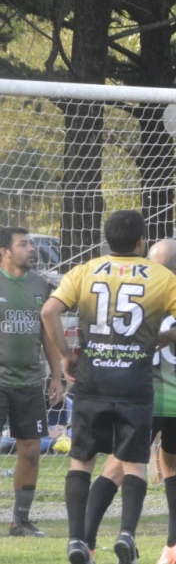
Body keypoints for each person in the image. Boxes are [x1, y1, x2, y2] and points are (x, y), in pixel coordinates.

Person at [40, 210, 176, 564]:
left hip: (93, 378)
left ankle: (77, 541)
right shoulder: (161, 277)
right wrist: (162, 337)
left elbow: (49, 312)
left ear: (106, 239)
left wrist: (67, 354)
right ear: (141, 242)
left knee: (82, 460)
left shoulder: (85, 270)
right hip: (135, 381)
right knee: (134, 462)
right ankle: (127, 534)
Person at [80, 239, 176, 564]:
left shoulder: (139, 303)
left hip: (143, 398)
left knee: (116, 467)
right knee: (173, 467)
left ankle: (86, 539)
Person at [0, 226, 64, 537]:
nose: (31, 249)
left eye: (31, 244)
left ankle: (20, 522)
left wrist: (56, 375)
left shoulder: (41, 285)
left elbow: (48, 335)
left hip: (29, 381)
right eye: (23, 244)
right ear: (5, 251)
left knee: (31, 449)